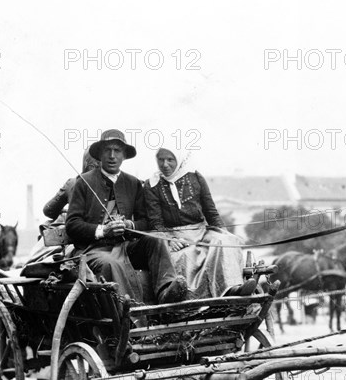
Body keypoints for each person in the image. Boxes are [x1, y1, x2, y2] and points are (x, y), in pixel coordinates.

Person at [66, 129, 188, 304]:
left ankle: (166, 291)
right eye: (107, 150)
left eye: (117, 151)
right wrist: (103, 230)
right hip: (92, 250)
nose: (112, 156)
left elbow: (145, 222)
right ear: (100, 154)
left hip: (125, 247)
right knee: (111, 263)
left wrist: (130, 225)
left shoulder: (133, 183)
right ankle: (127, 308)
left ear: (124, 156)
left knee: (157, 239)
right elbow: (72, 224)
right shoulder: (83, 182)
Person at [144, 148, 256, 299]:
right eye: (161, 160)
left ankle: (232, 289)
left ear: (180, 159)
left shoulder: (196, 178)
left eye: (170, 159)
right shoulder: (152, 185)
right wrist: (169, 239)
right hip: (176, 237)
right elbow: (155, 220)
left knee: (226, 242)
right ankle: (190, 301)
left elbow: (211, 212)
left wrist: (223, 231)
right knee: (184, 256)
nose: (165, 164)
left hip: (202, 232)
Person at [26, 150, 101, 264]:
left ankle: (30, 264)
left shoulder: (72, 183)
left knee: (36, 256)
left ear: (86, 164)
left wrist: (66, 211)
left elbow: (48, 210)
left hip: (78, 241)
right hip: (100, 241)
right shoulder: (112, 186)